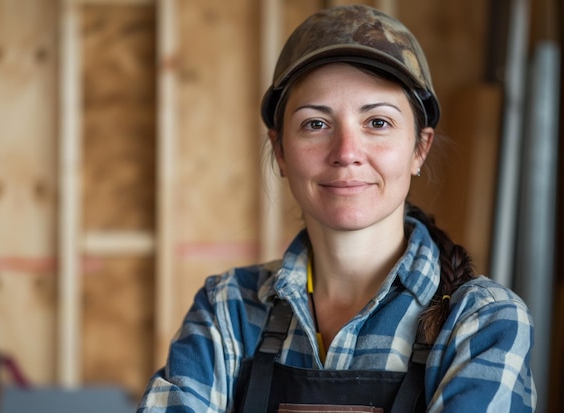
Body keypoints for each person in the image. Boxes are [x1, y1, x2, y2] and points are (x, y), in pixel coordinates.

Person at [138, 5, 536, 412]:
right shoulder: (228, 309)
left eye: (377, 122)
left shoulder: (481, 322)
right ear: (280, 151)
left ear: (420, 148)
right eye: (316, 123)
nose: (346, 153)